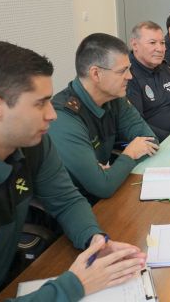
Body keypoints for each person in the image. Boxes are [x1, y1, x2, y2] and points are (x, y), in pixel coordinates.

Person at [0, 41, 146, 301]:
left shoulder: (32, 142)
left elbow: (66, 201)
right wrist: (74, 285)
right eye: (40, 103)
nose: (52, 114)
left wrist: (95, 241)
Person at [48, 33, 158, 204]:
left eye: (129, 69)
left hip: (107, 195)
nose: (130, 76)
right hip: (75, 208)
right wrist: (128, 155)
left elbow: (151, 141)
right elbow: (102, 187)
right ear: (96, 74)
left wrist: (112, 172)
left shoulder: (114, 98)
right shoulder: (64, 117)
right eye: (123, 71)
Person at [128, 21, 170, 141]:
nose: (160, 49)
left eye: (162, 43)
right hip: (161, 142)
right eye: (152, 43)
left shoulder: (163, 66)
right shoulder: (128, 76)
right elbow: (138, 125)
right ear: (135, 45)